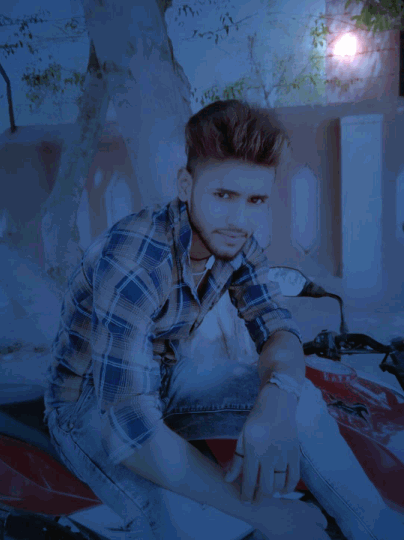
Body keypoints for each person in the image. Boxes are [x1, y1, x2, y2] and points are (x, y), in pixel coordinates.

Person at [43, 99, 403, 540]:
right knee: (184, 525)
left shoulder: (236, 245)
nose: (239, 219)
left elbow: (278, 328)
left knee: (301, 399)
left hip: (166, 376)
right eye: (223, 196)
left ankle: (376, 529)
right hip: (90, 402)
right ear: (186, 185)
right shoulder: (136, 262)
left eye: (255, 200)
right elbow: (130, 431)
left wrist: (276, 401)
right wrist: (266, 514)